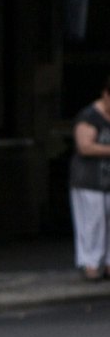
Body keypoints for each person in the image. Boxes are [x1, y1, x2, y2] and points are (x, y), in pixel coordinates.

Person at [73, 76, 110, 281]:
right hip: (90, 179)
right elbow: (85, 146)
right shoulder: (89, 116)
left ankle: (107, 262)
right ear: (105, 94)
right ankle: (91, 263)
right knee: (93, 221)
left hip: (108, 180)